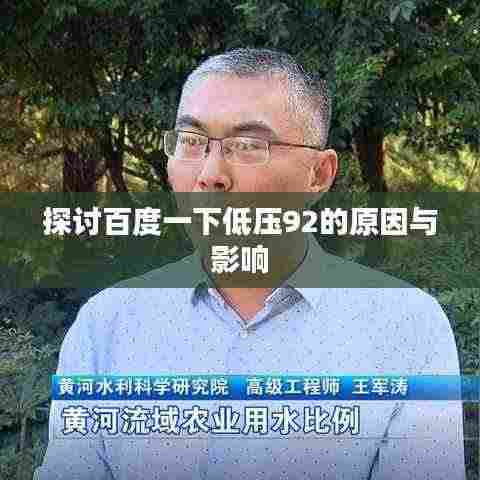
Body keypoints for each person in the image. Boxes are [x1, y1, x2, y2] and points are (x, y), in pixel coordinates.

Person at [34, 48, 466, 480]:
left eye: (248, 146)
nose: (210, 174)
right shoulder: (107, 325)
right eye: (191, 141)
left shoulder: (405, 326)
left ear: (318, 174)